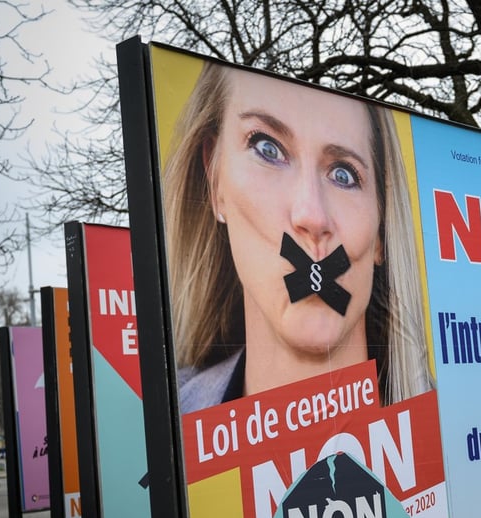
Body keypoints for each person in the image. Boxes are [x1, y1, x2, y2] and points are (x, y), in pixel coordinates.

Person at [161, 61, 434, 414]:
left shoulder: (457, 434)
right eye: (267, 149)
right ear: (215, 183)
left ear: (381, 230)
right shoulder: (167, 428)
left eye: (343, 174)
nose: (312, 216)